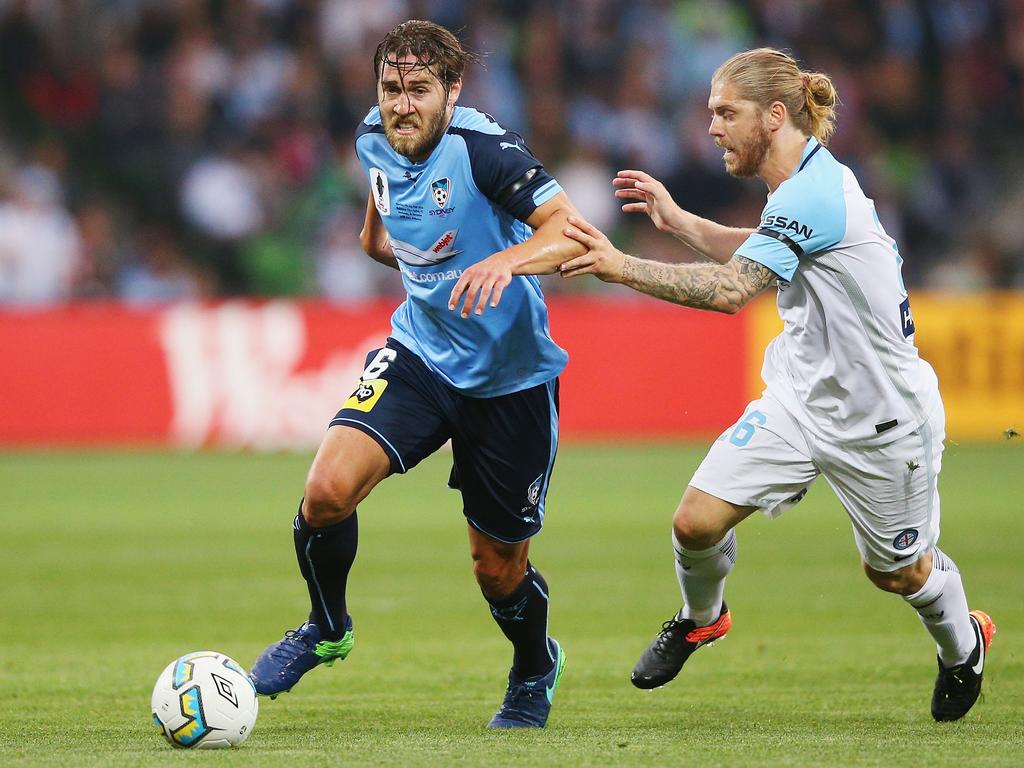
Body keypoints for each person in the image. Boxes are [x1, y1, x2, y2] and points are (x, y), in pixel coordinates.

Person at [559, 48, 995, 722]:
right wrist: (680, 224)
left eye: (725, 112)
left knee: (896, 574)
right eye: (710, 112)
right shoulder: (799, 189)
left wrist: (620, 267)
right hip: (800, 398)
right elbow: (763, 248)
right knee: (695, 522)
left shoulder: (814, 192)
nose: (712, 127)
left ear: (773, 114)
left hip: (882, 420)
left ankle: (964, 645)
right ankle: (702, 616)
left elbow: (736, 290)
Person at [249, 20, 583, 729]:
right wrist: (401, 250)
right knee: (326, 492)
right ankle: (326, 626)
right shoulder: (373, 135)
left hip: (510, 382)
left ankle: (534, 667)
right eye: (392, 88)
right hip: (422, 356)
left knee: (497, 571)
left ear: (453, 90)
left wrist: (504, 260)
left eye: (420, 90)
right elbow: (381, 234)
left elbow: (573, 233)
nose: (403, 104)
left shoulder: (485, 151)